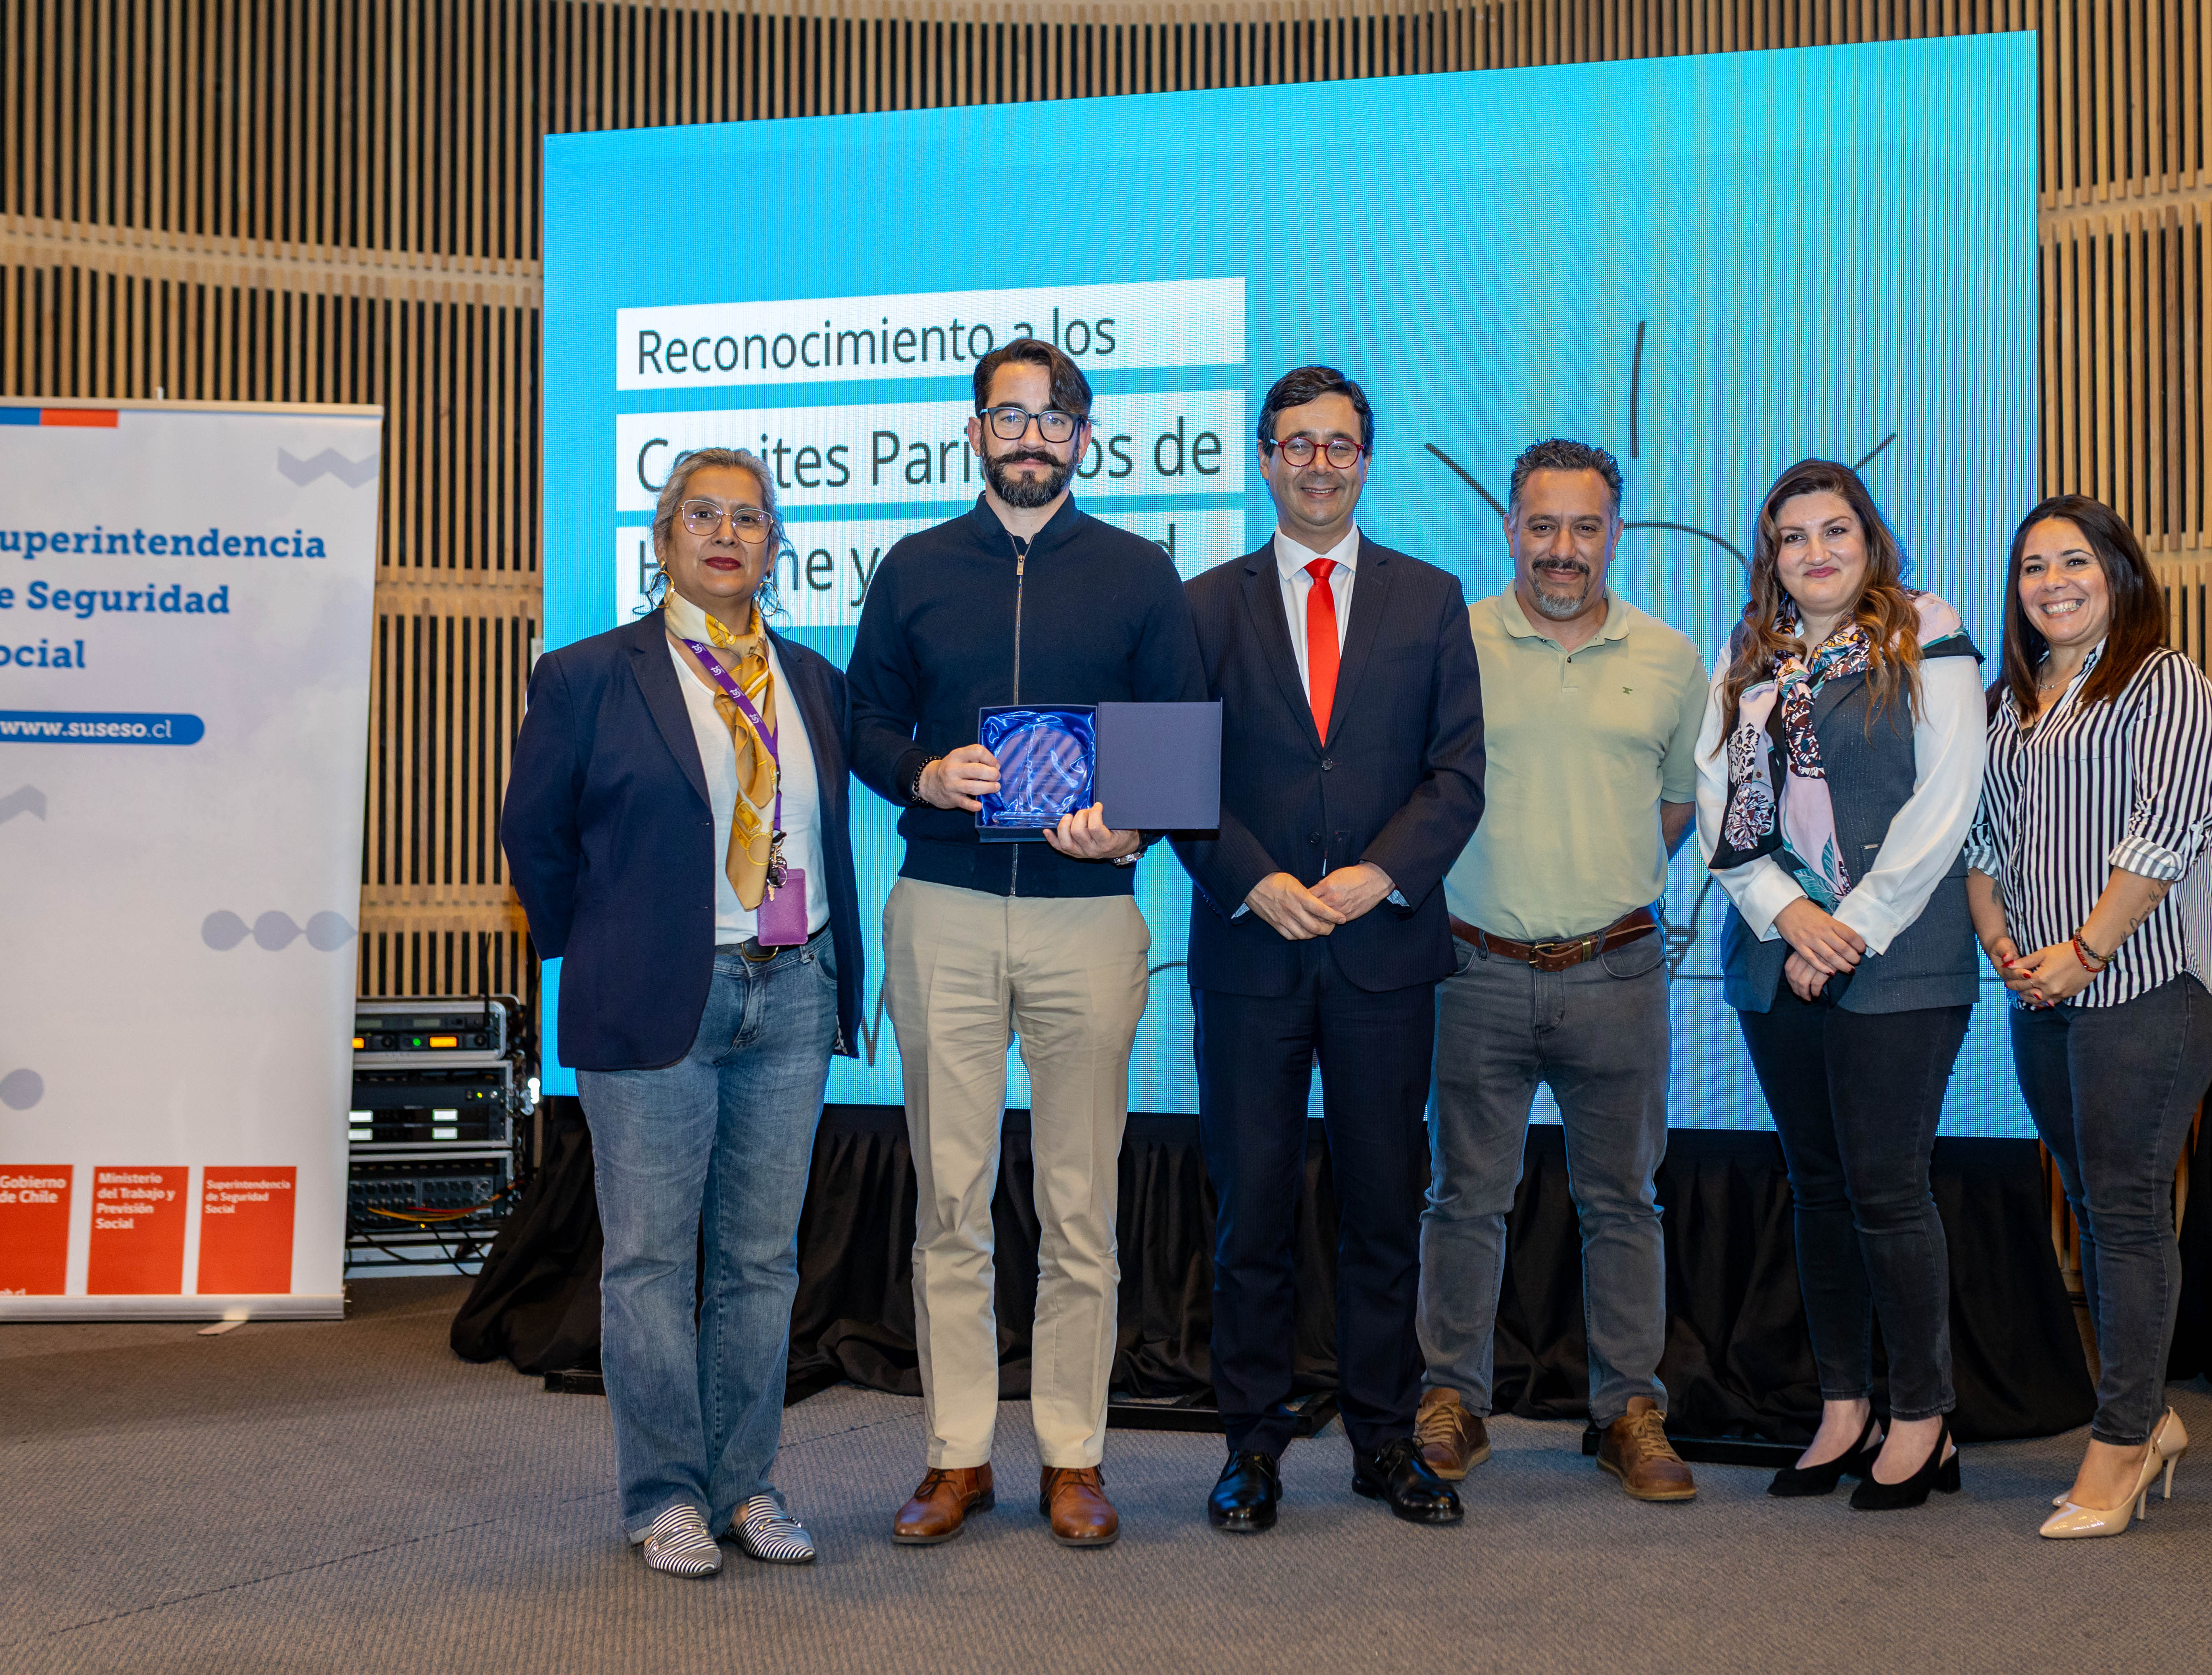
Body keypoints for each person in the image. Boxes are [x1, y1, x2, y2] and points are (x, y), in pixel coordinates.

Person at [844, 338, 1203, 1550]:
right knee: (948, 1200)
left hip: (1087, 914)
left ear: (1084, 439)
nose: (1032, 437)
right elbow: (864, 720)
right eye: (1011, 416)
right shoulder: (913, 567)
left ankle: (1071, 1455)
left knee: (1077, 1205)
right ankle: (956, 1455)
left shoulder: (1139, 572)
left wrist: (1132, 821)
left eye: (1055, 419)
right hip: (942, 906)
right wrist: (922, 771)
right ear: (975, 431)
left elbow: (1176, 740)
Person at [501, 447, 865, 1578]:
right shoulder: (587, 675)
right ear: (663, 539)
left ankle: (744, 1482)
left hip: (793, 989)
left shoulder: (813, 680)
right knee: (652, 1264)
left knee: (760, 1261)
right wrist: (605, 946)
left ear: (773, 547)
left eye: (748, 519)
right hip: (657, 994)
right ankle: (663, 1495)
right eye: (701, 515)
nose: (725, 535)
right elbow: (535, 835)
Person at [1172, 365, 1484, 1534]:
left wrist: (1379, 874)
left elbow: (1457, 775)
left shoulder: (1432, 598)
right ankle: (1251, 1445)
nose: (1318, 463)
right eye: (1296, 443)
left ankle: (1384, 1439)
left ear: (1366, 459)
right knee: (1250, 1211)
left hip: (1382, 953)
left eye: (1339, 444)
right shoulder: (1199, 605)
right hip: (1250, 954)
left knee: (1382, 1213)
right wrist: (1252, 879)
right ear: (1264, 458)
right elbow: (1173, 777)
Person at [1413, 438, 1705, 1504]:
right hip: (1472, 968)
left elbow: (1675, 807)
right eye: (1543, 526)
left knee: (1623, 1200)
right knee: (1462, 1199)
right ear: (1510, 530)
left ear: (1615, 534)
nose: (1563, 549)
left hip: (1617, 971)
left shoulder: (1670, 658)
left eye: (1585, 527)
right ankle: (1452, 1400)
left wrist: (1597, 885)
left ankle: (1629, 1410)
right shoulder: (1451, 643)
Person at [1692, 457, 1987, 1511]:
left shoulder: (1926, 633)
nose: (1813, 553)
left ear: (1869, 540)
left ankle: (1922, 1418)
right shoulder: (1748, 655)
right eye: (1791, 537)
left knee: (1887, 1189)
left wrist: (1845, 929)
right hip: (1774, 953)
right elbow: (1717, 801)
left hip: (1899, 955)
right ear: (1769, 556)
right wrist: (1791, 917)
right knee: (1816, 1188)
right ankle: (1842, 1406)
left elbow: (1946, 801)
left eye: (1834, 531)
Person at [1965, 492, 2212, 1540]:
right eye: (2032, 566)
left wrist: (2081, 953)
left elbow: (2165, 832)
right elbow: (1982, 842)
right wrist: (2002, 944)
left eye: (2074, 560)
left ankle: (2121, 1442)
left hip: (2149, 981)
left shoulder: (2164, 682)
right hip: (2039, 985)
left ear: (2118, 572)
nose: (2052, 583)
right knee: (2090, 1201)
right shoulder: (2008, 700)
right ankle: (2151, 1417)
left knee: (2122, 1206)